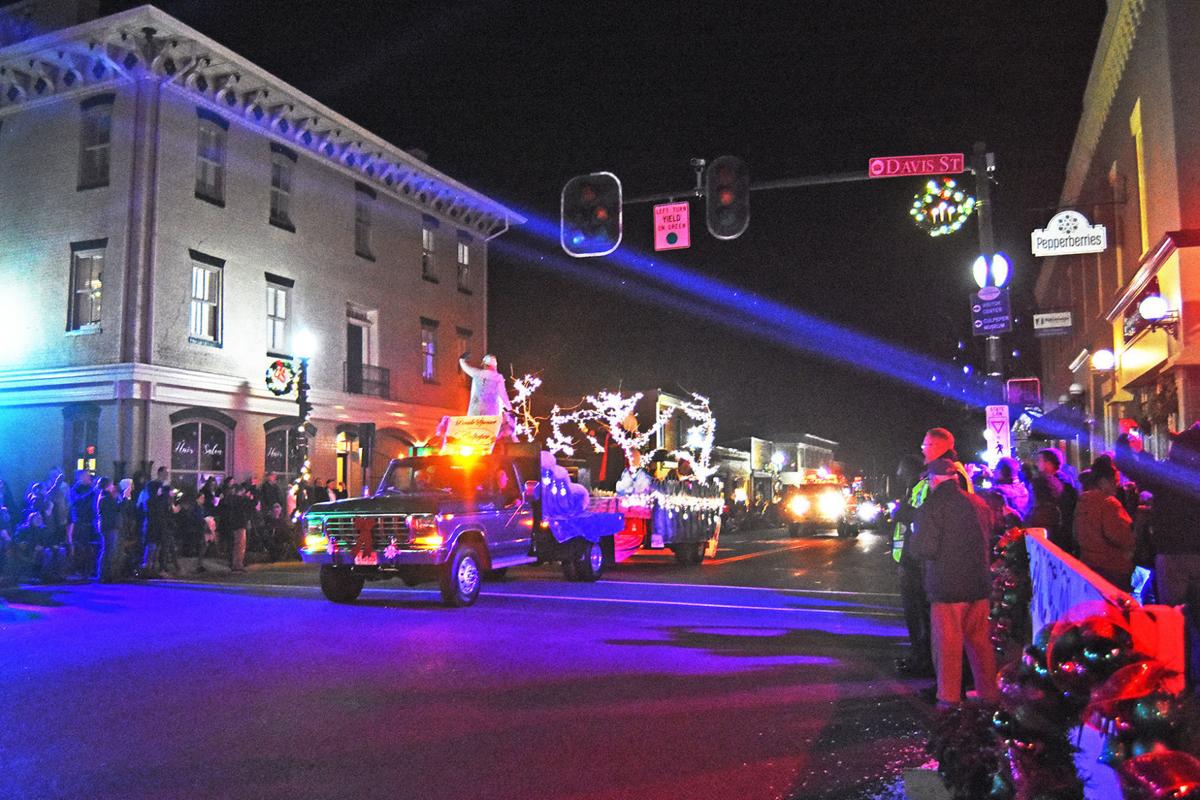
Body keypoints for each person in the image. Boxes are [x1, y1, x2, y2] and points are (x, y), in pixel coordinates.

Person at [909, 457, 1000, 709]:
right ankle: (989, 694)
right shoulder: (979, 503)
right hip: (978, 584)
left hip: (947, 587)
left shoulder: (932, 506)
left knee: (947, 646)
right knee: (980, 643)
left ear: (935, 480)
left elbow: (924, 548)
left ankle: (948, 701)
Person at [1147, 424, 1200, 688]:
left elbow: (1133, 467)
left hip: (1173, 554)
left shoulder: (1168, 474)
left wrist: (1126, 442)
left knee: (1174, 620)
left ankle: (1179, 680)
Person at [1073, 456, 1134, 590]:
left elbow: (1077, 534)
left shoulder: (1083, 501)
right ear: (1102, 482)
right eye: (1114, 481)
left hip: (1088, 565)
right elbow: (1121, 536)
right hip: (1112, 568)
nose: (1117, 485)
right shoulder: (1109, 504)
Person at [1036, 448, 1078, 552]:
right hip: (1065, 532)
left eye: (1039, 460)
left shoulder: (1043, 484)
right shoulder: (1068, 481)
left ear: (1048, 463)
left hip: (1050, 531)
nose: (1037, 464)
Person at [67, 468, 100, 578]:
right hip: (80, 522)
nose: (89, 477)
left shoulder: (91, 488)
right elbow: (77, 500)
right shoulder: (76, 488)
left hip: (91, 521)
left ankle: (90, 569)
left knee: (91, 547)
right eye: (86, 476)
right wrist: (92, 490)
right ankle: (80, 570)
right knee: (82, 547)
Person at [96, 477, 122, 582]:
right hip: (109, 526)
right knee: (108, 551)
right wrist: (125, 498)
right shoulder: (106, 498)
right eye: (111, 484)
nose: (113, 486)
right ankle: (104, 574)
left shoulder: (106, 496)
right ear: (107, 485)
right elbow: (117, 509)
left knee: (109, 550)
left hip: (109, 526)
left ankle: (106, 574)